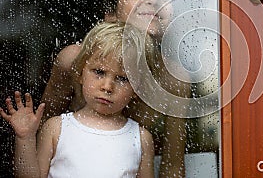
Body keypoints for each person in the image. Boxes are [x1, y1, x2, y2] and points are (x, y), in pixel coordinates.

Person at [40, 0, 191, 178]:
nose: (153, 0)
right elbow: (40, 130)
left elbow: (173, 166)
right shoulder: (73, 60)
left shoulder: (174, 80)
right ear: (110, 12)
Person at [0, 22, 154, 178]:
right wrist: (25, 139)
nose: (107, 86)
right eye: (99, 72)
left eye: (122, 79)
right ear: (81, 73)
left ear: (137, 89)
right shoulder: (56, 128)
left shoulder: (141, 139)